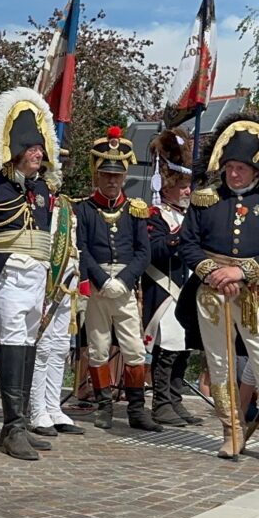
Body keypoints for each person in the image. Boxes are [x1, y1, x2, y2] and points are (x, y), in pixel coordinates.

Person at [0, 87, 58, 461]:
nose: (39, 154)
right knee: (14, 340)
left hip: (36, 273)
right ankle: (12, 427)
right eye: (33, 149)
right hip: (7, 275)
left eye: (40, 149)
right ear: (16, 150)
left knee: (29, 343)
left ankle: (18, 422)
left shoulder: (42, 191)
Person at [177, 113, 259, 458]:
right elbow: (188, 244)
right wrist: (212, 272)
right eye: (229, 166)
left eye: (241, 168)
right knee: (220, 363)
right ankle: (232, 429)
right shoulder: (205, 199)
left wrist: (241, 273)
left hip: (253, 292)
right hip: (211, 292)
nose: (233, 173)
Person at [76, 127, 159, 432]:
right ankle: (103, 405)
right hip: (98, 287)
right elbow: (80, 249)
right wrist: (100, 278)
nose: (112, 180)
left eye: (117, 175)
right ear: (97, 174)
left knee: (134, 348)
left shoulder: (135, 210)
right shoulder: (83, 209)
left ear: (124, 177)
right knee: (97, 348)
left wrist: (124, 280)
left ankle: (137, 409)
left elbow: (143, 252)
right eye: (106, 174)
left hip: (124, 286)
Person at [143, 128, 202, 426]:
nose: (187, 191)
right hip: (165, 292)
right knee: (168, 349)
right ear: (166, 187)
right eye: (181, 186)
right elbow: (154, 250)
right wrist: (181, 236)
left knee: (184, 348)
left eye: (187, 185)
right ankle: (161, 403)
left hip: (185, 290)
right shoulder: (155, 214)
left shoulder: (186, 216)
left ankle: (175, 400)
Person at [27, 155, 85, 438]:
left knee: (61, 346)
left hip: (67, 282)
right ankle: (36, 408)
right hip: (44, 279)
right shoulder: (36, 203)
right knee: (42, 347)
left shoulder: (64, 205)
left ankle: (52, 406)